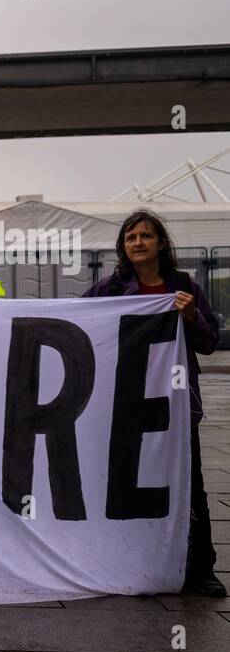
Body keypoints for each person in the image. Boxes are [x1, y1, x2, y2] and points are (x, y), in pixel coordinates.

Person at [84, 208, 224, 597]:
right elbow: (78, 324)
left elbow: (210, 343)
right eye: (131, 238)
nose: (138, 244)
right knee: (124, 484)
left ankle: (201, 569)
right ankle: (126, 560)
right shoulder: (110, 289)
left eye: (145, 236)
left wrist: (192, 317)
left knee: (190, 486)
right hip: (126, 406)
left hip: (176, 408)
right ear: (123, 247)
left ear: (161, 242)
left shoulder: (183, 286)